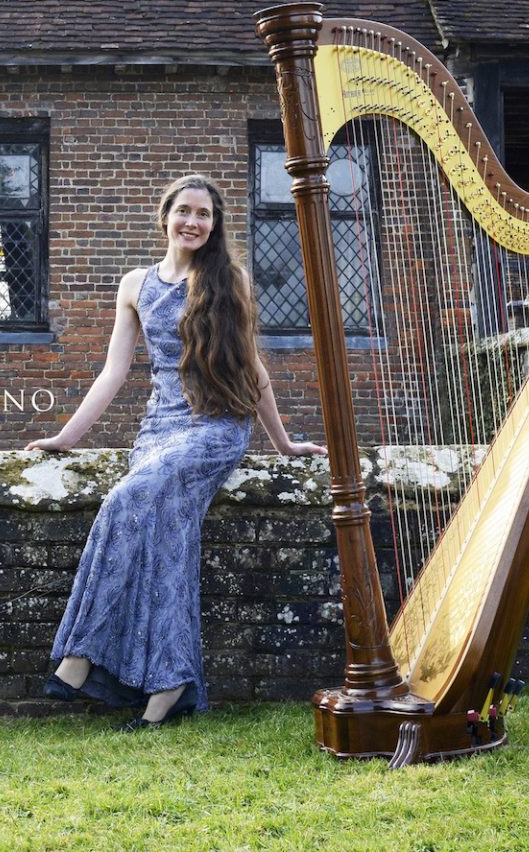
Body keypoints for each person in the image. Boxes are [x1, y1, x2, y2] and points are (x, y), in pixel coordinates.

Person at [26, 173, 326, 732]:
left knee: (124, 499)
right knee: (167, 546)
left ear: (214, 225)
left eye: (204, 214)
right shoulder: (134, 284)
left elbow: (253, 367)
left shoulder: (228, 280)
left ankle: (82, 652)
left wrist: (282, 442)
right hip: (157, 430)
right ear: (165, 216)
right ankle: (171, 686)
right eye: (184, 210)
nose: (193, 221)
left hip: (216, 429)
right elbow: (114, 373)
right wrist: (66, 438)